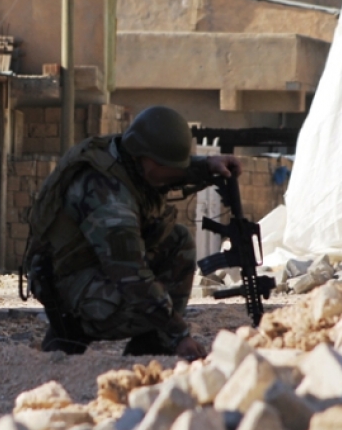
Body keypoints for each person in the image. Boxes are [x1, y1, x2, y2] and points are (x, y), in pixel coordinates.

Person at [22, 106, 241, 360]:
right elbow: (132, 278)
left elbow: (165, 168)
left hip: (91, 263)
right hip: (68, 283)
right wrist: (179, 335)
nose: (171, 175)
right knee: (142, 299)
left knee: (178, 241)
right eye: (164, 166)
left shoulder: (126, 156)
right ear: (146, 159)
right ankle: (72, 331)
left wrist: (207, 166)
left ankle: (148, 348)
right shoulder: (109, 200)